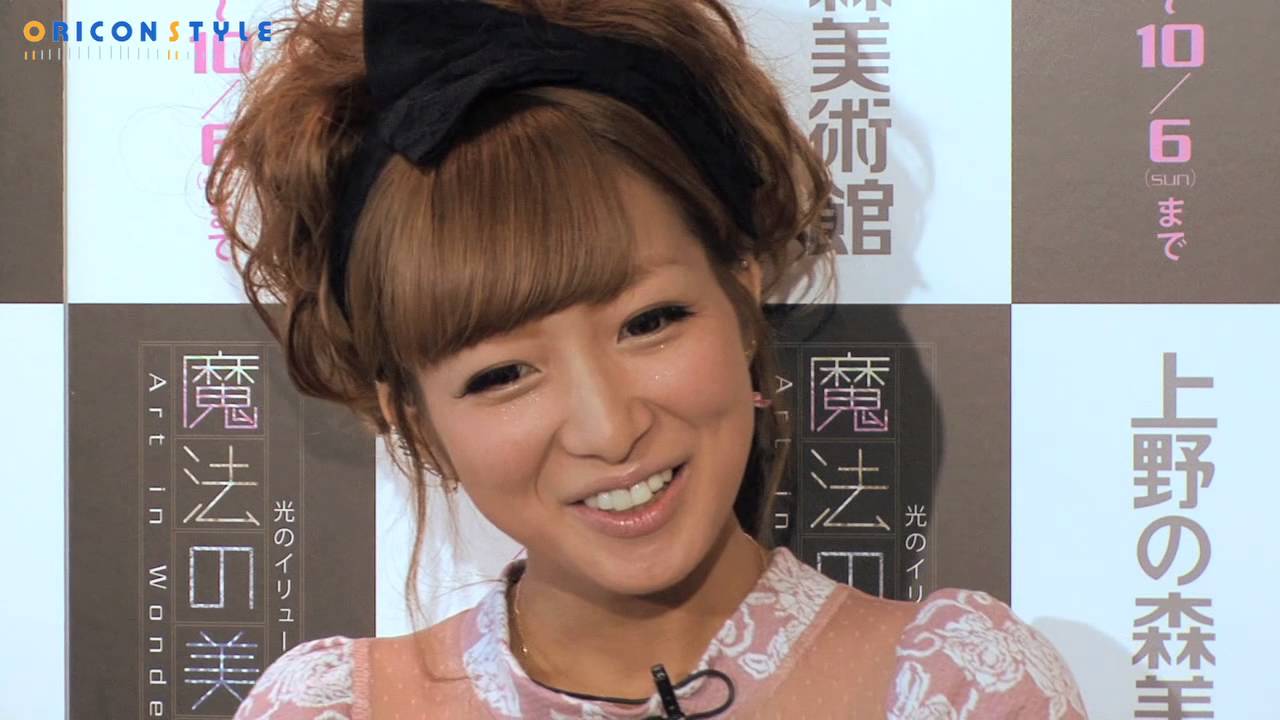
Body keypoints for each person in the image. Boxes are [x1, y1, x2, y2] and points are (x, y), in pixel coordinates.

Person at [209, 0, 1089, 717]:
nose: (608, 428)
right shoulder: (334, 709)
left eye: (649, 322)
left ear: (742, 295)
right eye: (502, 374)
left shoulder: (951, 689)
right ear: (412, 416)